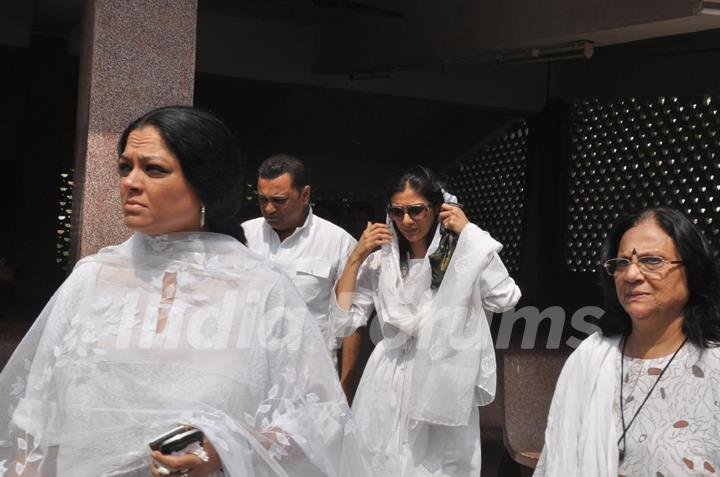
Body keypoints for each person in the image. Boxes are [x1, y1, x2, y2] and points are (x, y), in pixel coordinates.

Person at [0, 106, 370, 477]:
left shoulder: (260, 287)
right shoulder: (92, 278)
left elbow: (315, 418)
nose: (131, 181)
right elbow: (37, 420)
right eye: (125, 167)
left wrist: (226, 448)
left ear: (205, 183)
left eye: (154, 169)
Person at [333, 165, 521, 476]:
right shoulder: (382, 259)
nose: (407, 221)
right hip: (387, 377)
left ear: (436, 209)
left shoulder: (464, 254)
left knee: (438, 466)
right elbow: (344, 319)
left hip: (442, 379)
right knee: (379, 461)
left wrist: (471, 233)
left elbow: (505, 297)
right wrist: (356, 256)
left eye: (416, 210)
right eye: (397, 211)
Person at [535, 208, 720, 477]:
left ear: (692, 270)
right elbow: (555, 456)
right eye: (621, 263)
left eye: (652, 260)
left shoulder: (713, 367)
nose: (631, 275)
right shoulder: (591, 357)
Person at [242, 154, 356, 367]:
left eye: (279, 200)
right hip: (250, 368)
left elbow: (351, 322)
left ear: (305, 195)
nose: (268, 209)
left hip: (310, 372)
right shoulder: (243, 237)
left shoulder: (339, 242)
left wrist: (345, 386)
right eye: (262, 199)